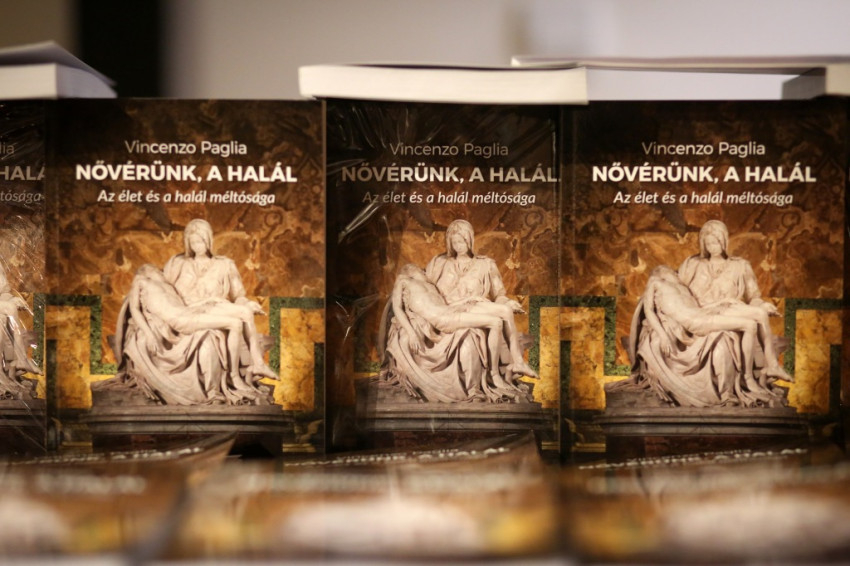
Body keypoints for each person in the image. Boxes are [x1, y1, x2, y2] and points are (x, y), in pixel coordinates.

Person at [126, 264, 277, 385]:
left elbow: (183, 307)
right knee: (234, 324)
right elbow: (134, 309)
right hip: (181, 320)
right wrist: (149, 333)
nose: (161, 272)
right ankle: (234, 376)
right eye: (157, 270)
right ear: (147, 271)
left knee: (243, 313)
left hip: (188, 313)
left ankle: (258, 365)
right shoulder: (141, 280)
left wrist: (211, 300)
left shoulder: (169, 287)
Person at [643, 266, 791, 387]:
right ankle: (747, 377)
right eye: (672, 271)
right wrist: (662, 335)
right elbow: (648, 310)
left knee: (758, 315)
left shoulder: (683, 289)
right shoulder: (656, 282)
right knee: (749, 325)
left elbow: (698, 308)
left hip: (702, 315)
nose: (676, 274)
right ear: (662, 273)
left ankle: (772, 366)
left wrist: (724, 301)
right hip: (696, 322)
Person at [391, 264, 537, 382]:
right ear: (410, 271)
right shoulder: (403, 280)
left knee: (503, 313)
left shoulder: (431, 287)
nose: (424, 271)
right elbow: (397, 308)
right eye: (420, 270)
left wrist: (469, 299)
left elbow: (446, 306)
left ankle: (516, 363)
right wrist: (411, 333)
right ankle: (494, 375)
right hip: (444, 320)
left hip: (450, 312)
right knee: (495, 322)